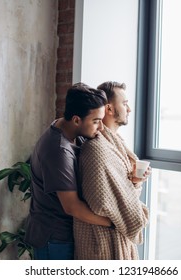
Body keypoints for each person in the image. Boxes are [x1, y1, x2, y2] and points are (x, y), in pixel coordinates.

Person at [24, 82, 114, 260]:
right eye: (96, 121)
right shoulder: (58, 151)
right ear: (76, 120)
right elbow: (72, 207)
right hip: (55, 240)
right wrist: (113, 223)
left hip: (60, 237)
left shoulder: (68, 130)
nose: (101, 128)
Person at [74, 81, 151, 260]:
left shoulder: (116, 145)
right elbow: (102, 201)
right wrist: (136, 212)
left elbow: (121, 193)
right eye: (124, 104)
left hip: (115, 238)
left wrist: (135, 182)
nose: (129, 109)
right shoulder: (97, 149)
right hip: (102, 246)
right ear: (109, 109)